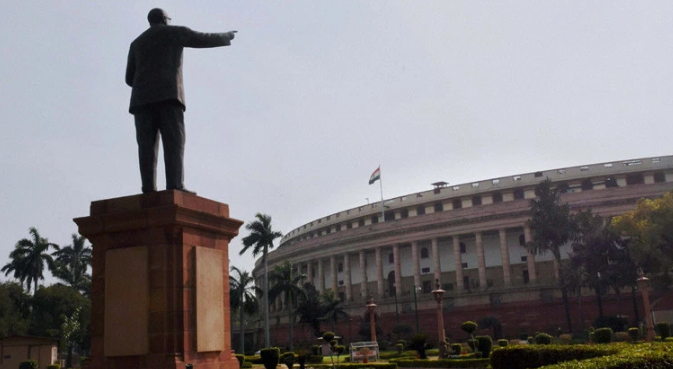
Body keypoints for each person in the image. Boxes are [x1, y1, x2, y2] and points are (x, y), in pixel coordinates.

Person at [126, 8, 237, 194]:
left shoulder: (136, 43)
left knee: (146, 147)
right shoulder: (175, 32)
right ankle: (175, 185)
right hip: (169, 96)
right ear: (164, 19)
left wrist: (145, 82)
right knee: (173, 142)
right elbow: (202, 38)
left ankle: (148, 189)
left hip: (141, 101)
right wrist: (226, 36)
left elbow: (129, 78)